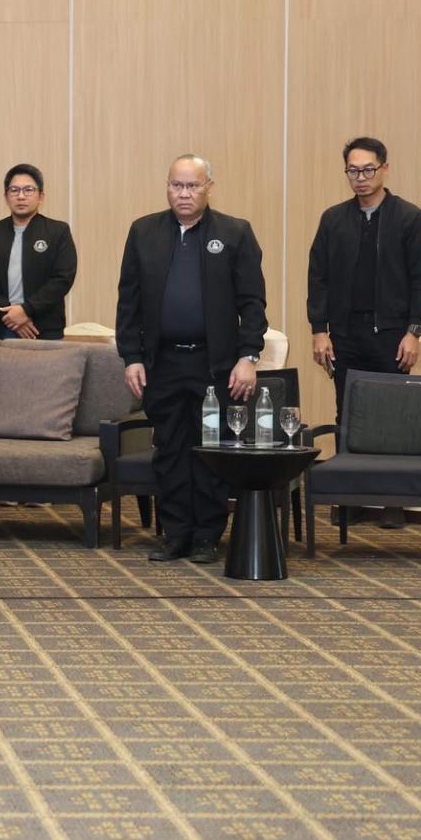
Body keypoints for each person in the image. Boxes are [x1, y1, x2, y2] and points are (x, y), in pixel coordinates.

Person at [116, 155, 268, 564]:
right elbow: (128, 302)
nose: (184, 194)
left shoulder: (235, 233)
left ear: (209, 188)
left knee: (209, 451)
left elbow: (253, 304)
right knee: (169, 451)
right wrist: (131, 357)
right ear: (167, 187)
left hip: (214, 365)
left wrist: (248, 356)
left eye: (192, 186)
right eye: (177, 186)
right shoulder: (143, 232)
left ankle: (206, 536)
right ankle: (176, 534)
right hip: (162, 364)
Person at [306, 137, 421, 529]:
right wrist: (319, 330)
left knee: (390, 417)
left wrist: (414, 331)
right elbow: (318, 278)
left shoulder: (409, 218)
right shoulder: (333, 219)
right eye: (353, 170)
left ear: (384, 169)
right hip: (345, 334)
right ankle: (351, 498)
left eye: (368, 169)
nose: (360, 177)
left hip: (391, 334)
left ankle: (391, 500)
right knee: (348, 414)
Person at [0, 163, 78, 339]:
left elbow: (62, 278)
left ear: (41, 197)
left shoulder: (58, 231)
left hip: (44, 329)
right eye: (14, 190)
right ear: (6, 196)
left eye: (28, 190)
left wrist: (26, 310)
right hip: (2, 326)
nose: (21, 196)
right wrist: (10, 315)